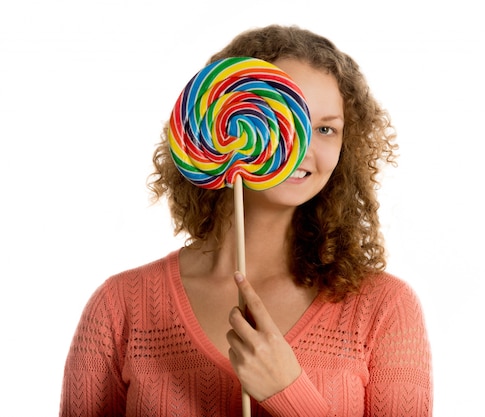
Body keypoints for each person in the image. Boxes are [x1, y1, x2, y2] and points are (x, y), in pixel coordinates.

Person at [59, 24, 432, 416]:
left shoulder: (383, 308)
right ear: (224, 123)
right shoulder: (120, 307)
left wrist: (288, 392)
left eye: (325, 129)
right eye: (283, 117)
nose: (302, 146)